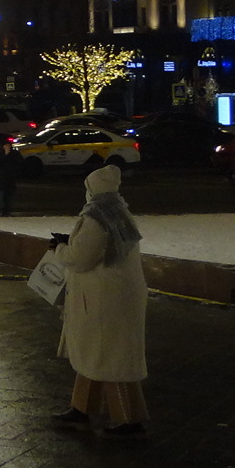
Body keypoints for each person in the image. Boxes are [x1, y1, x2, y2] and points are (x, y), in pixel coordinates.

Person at [51, 164, 149, 437]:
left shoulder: (97, 217)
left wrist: (59, 248)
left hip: (104, 300)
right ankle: (81, 407)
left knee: (111, 358)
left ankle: (130, 419)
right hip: (112, 297)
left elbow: (80, 258)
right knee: (95, 353)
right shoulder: (119, 212)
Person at [0, 142, 20, 217]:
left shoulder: (14, 154)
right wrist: (5, 155)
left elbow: (18, 162)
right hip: (1, 179)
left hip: (10, 179)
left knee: (9, 198)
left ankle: (6, 212)